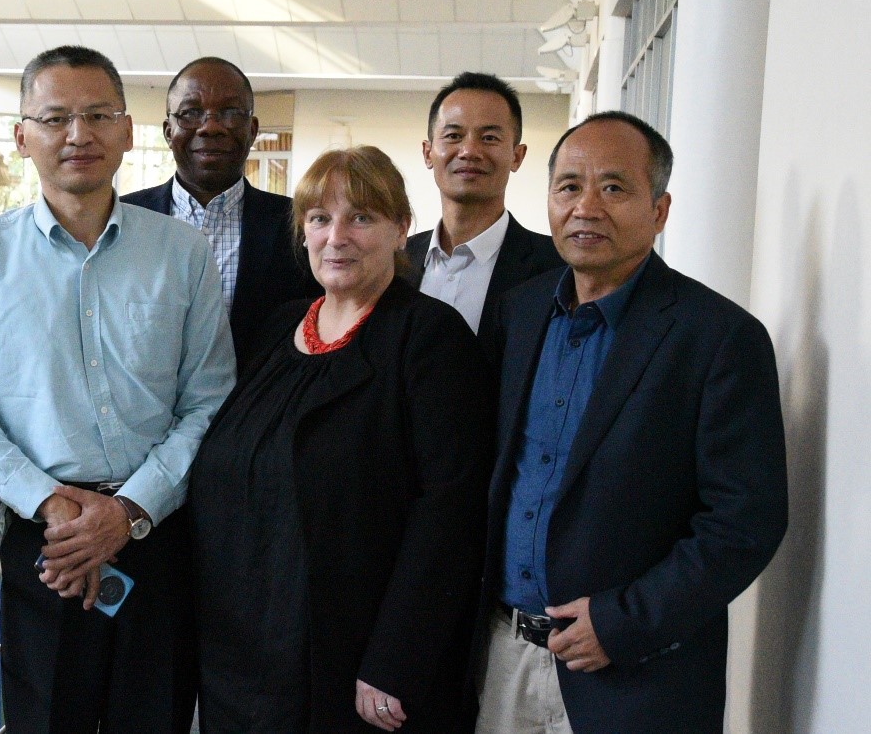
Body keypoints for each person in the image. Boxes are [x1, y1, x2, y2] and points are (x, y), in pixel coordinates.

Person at [0, 45, 235, 733]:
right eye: (55, 117)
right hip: (47, 551)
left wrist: (127, 511)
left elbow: (209, 402)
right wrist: (58, 509)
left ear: (127, 132)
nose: (78, 135)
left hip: (158, 539)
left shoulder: (182, 254)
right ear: (21, 136)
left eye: (98, 115)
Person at [477, 111, 788, 733]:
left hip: (634, 675)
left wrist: (624, 623)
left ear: (660, 209)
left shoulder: (718, 338)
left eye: (614, 188)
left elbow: (745, 520)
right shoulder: (520, 312)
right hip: (501, 657)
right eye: (569, 187)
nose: (586, 206)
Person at [191, 146, 495, 732]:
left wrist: (395, 660)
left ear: (402, 229)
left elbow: (450, 514)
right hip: (243, 656)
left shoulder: (431, 341)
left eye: (362, 217)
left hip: (353, 666)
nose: (337, 237)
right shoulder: (276, 328)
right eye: (320, 219)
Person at [122, 57, 319, 371]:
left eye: (229, 113)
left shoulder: (298, 224)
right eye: (190, 113)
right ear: (168, 131)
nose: (210, 126)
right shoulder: (122, 219)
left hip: (259, 413)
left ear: (252, 130)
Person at [410, 72, 563, 339]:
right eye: (453, 135)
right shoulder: (394, 261)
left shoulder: (556, 267)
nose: (469, 151)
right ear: (428, 153)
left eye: (489, 138)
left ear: (517, 156)